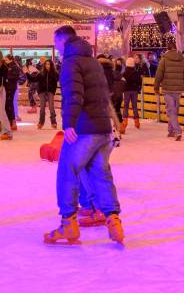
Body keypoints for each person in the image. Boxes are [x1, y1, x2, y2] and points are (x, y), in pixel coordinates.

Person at [44, 25, 124, 245]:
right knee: (101, 173)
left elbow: (74, 94)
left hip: (84, 129)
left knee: (67, 171)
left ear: (63, 40)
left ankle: (68, 224)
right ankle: (114, 221)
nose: (56, 47)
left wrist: (69, 123)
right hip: (102, 129)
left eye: (56, 42)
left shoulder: (71, 62)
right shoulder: (93, 61)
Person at [154, 43, 184, 141]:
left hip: (167, 88)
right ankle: (171, 131)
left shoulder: (164, 59)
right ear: (176, 48)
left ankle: (177, 131)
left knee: (171, 111)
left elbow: (159, 74)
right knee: (173, 110)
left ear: (168, 49)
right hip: (178, 89)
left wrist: (156, 87)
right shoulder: (182, 59)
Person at [121, 57, 142, 134]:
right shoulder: (136, 73)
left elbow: (122, 82)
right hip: (134, 91)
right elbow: (140, 81)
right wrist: (138, 88)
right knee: (134, 106)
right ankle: (137, 123)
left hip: (126, 91)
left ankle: (125, 122)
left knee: (126, 105)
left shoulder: (124, 73)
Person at [37, 60, 59, 129]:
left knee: (51, 107)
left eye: (49, 64)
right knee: (42, 107)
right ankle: (41, 122)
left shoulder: (55, 73)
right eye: (46, 64)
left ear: (51, 65)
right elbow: (34, 79)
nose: (47, 66)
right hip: (42, 91)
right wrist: (27, 73)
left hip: (50, 91)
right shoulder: (41, 73)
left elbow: (59, 79)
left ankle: (53, 122)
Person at [4, 55, 21, 131]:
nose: (5, 61)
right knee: (8, 104)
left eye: (6, 60)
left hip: (11, 87)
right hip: (7, 87)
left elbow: (15, 77)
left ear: (10, 60)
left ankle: (12, 121)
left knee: (10, 104)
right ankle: (9, 121)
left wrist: (7, 78)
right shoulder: (8, 66)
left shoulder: (14, 66)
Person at [112, 58, 125, 123]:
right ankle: (120, 122)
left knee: (115, 110)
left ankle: (118, 122)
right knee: (117, 109)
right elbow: (124, 87)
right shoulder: (122, 78)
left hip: (113, 96)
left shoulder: (111, 76)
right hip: (119, 97)